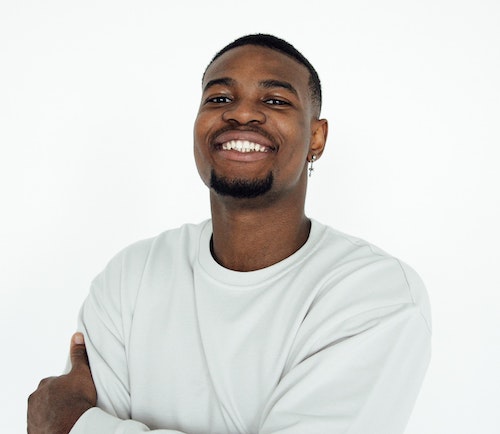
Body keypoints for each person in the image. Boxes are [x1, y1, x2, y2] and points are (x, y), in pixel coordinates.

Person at [28, 34, 431, 434]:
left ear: (317, 137)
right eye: (219, 98)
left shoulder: (375, 294)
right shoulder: (130, 277)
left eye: (275, 101)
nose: (241, 115)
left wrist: (76, 426)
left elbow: (71, 425)